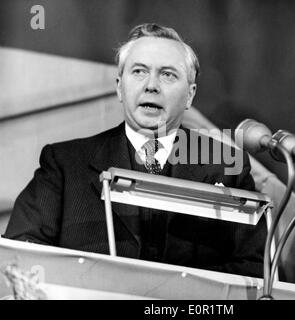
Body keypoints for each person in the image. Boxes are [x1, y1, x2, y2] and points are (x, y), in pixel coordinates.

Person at [4, 23, 266, 278]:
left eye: (167, 75)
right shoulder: (64, 164)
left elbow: (253, 271)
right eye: (139, 71)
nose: (151, 85)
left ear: (190, 96)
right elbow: (21, 253)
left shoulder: (224, 166)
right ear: (119, 86)